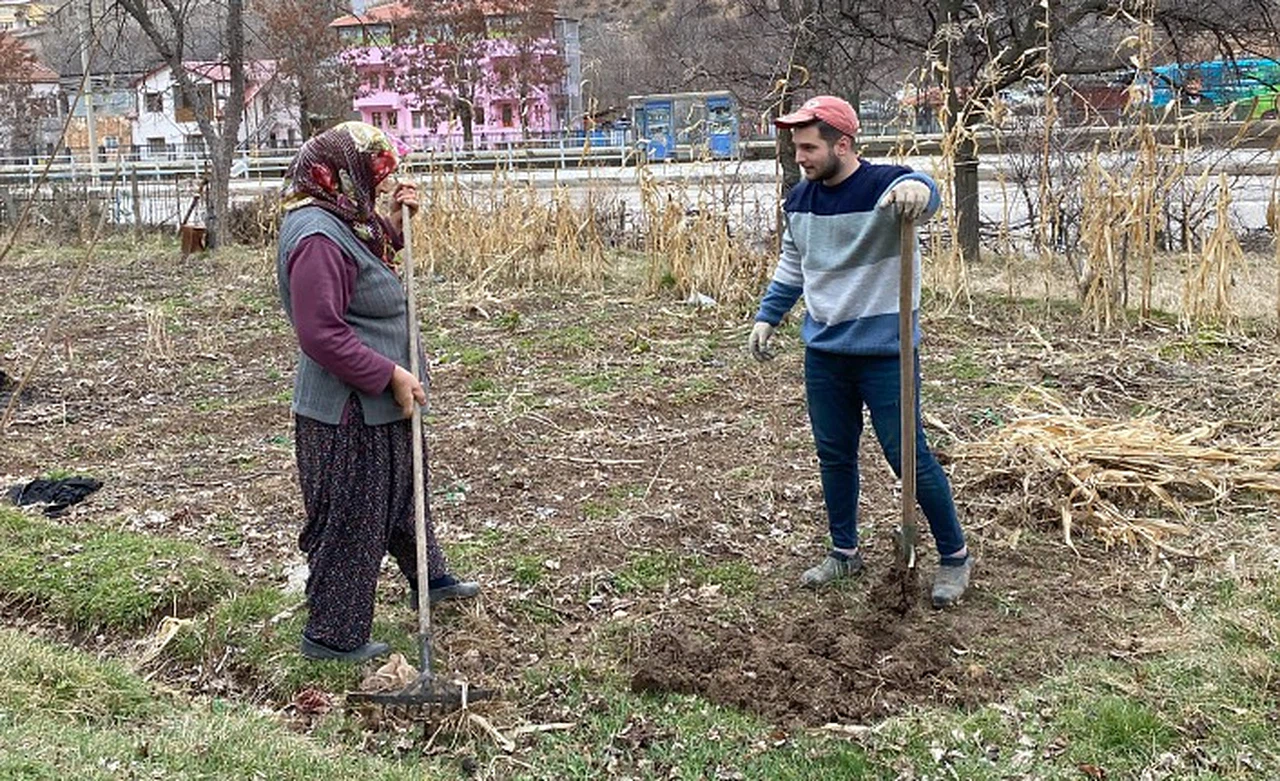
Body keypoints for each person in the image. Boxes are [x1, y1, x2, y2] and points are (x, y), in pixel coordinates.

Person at [748, 95, 973, 608]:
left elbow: (923, 190)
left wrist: (920, 189)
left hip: (885, 352)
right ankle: (844, 550)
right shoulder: (800, 199)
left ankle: (955, 555)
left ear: (842, 144)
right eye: (796, 147)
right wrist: (768, 315)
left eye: (808, 147)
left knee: (906, 455)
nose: (799, 157)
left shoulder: (883, 186)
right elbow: (792, 264)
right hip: (825, 352)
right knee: (834, 454)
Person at [275, 121, 479, 662]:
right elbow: (321, 332)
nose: (380, 186)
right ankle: (332, 636)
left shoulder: (343, 218)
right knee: (354, 514)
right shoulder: (315, 236)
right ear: (343, 172)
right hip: (347, 409)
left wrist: (395, 226)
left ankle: (429, 579)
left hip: (379, 402)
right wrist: (388, 374)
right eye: (375, 176)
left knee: (403, 494)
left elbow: (367, 262)